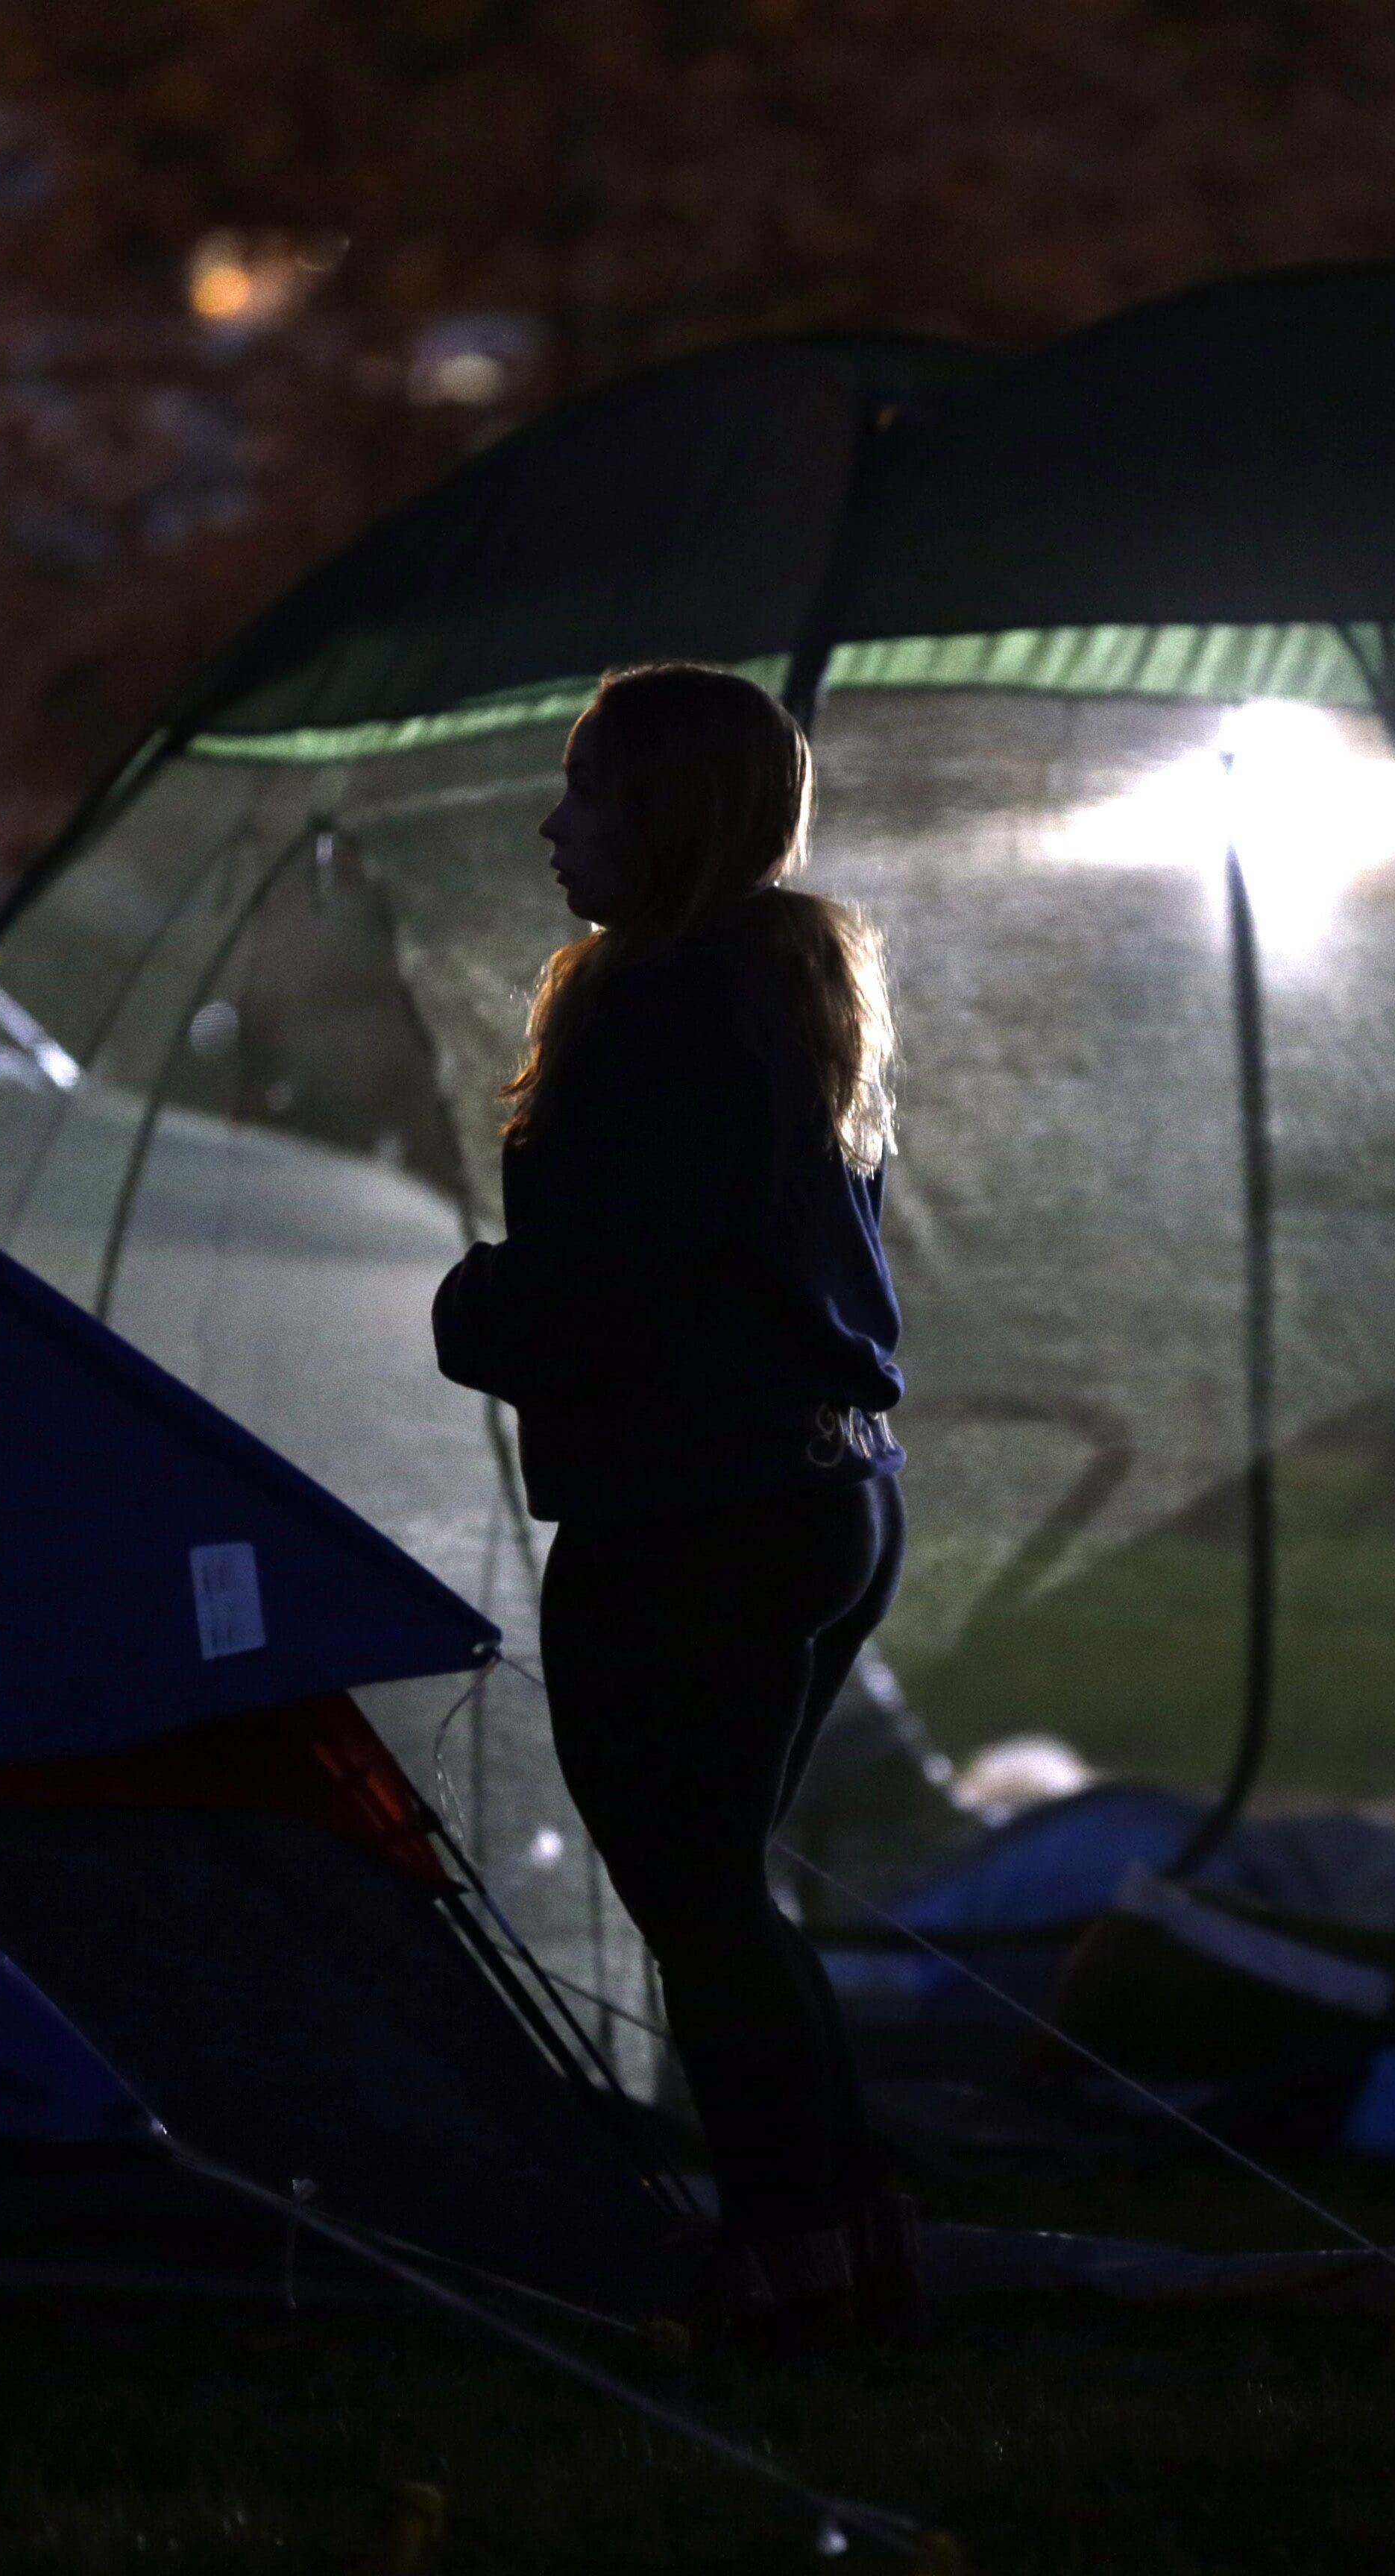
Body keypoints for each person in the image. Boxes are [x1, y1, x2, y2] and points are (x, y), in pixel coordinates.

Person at [432, 663, 910, 2352]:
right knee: (723, 1896)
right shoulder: (787, 992)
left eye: (587, 795)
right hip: (822, 1492)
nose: (553, 826)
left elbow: (601, 1283)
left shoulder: (666, 1008)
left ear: (670, 817)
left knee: (696, 1901)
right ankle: (839, 2238)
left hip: (694, 1515)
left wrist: (466, 1313)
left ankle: (787, 2263)